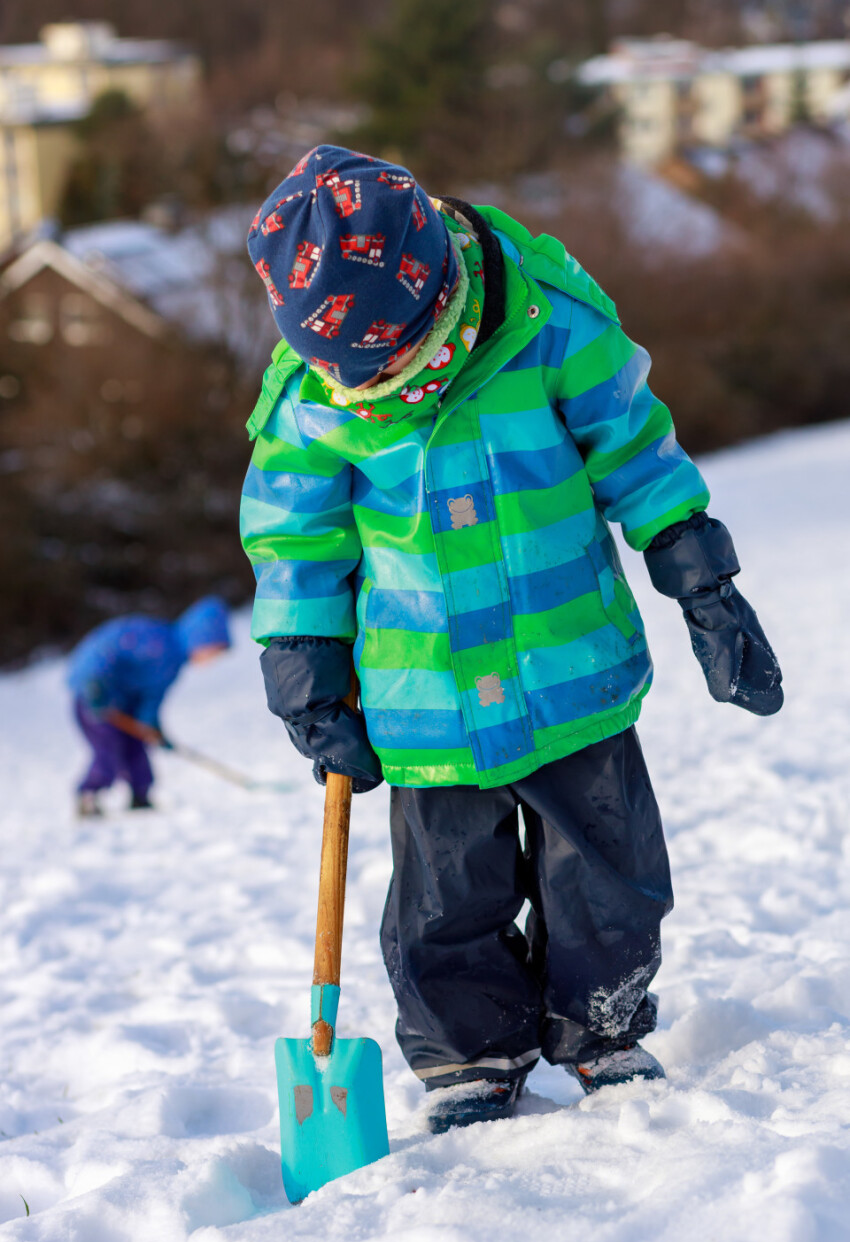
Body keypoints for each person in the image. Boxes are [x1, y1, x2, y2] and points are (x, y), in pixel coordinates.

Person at [241, 146, 783, 1132]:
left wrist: (699, 574)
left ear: (430, 295)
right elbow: (293, 537)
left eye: (381, 362)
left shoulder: (547, 323)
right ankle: (470, 1058)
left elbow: (637, 453)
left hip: (569, 667)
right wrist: (301, 657)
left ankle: (600, 1026)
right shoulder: (311, 396)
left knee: (607, 882)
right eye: (338, 367)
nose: (358, 383)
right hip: (422, 697)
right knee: (445, 903)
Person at [68, 597, 231, 816]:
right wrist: (93, 684)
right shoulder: (156, 639)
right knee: (108, 747)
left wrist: (153, 728)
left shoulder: (173, 663)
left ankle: (140, 795)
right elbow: (105, 648)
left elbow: (151, 698)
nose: (211, 660)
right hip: (95, 697)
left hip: (124, 706)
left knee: (136, 746)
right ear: (200, 638)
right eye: (213, 650)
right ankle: (89, 796)